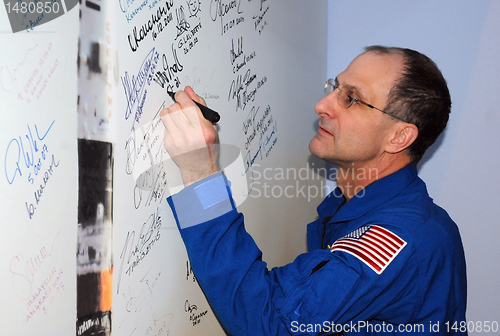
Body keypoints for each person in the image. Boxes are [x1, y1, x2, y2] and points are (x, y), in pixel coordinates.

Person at [160, 46, 467, 335]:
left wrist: (201, 174)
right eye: (335, 86)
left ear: (399, 137)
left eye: (352, 99)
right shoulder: (354, 204)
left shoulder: (399, 238)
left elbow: (269, 325)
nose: (322, 105)